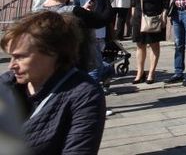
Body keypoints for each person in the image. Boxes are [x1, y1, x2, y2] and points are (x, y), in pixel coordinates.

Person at [0, 11, 107, 154]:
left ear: (52, 52)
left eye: (20, 57)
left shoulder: (84, 94)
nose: (11, 65)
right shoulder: (6, 85)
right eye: (11, 57)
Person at [34, 0, 110, 76]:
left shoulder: (37, 11)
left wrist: (83, 10)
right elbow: (104, 19)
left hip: (47, 65)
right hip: (74, 68)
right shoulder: (73, 11)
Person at [70, 0, 112, 85]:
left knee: (99, 66)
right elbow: (87, 13)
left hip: (92, 31)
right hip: (89, 32)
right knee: (95, 68)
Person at [130, 0, 170, 84]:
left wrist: (164, 16)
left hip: (154, 18)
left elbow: (166, 2)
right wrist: (133, 16)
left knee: (154, 45)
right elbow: (133, 1)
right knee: (140, 45)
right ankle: (140, 72)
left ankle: (151, 73)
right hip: (139, 18)